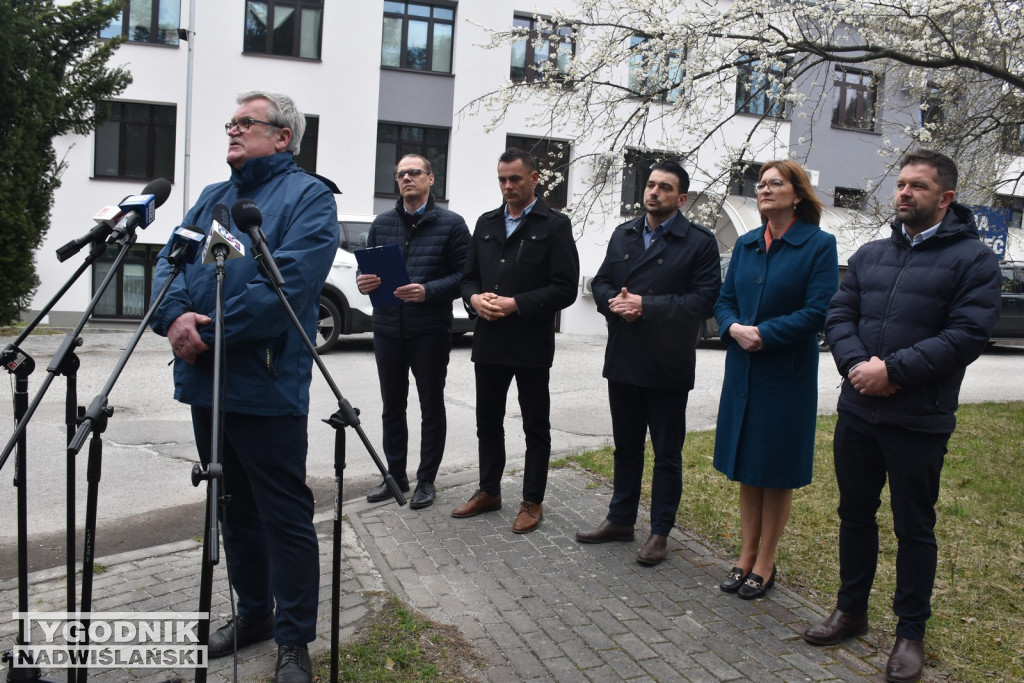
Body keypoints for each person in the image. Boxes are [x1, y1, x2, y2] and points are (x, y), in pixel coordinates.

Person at [150, 91, 338, 683]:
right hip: (206, 384)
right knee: (230, 509)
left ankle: (293, 641)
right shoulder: (212, 197)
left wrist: (215, 332)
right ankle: (253, 614)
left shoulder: (309, 198)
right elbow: (169, 263)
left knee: (282, 514)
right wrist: (175, 317)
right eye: (230, 122)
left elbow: (292, 285)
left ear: (283, 137)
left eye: (246, 123)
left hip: (266, 382)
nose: (232, 131)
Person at [803, 150, 1001, 683]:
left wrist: (891, 371)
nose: (904, 193)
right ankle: (850, 610)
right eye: (901, 184)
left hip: (919, 419)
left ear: (946, 197)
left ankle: (910, 633)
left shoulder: (974, 260)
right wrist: (855, 366)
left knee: (915, 529)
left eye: (917, 186)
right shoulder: (869, 254)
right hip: (859, 414)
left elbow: (967, 335)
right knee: (854, 516)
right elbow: (839, 314)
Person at [575, 160, 720, 565]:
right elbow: (601, 282)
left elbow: (705, 301)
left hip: (667, 363)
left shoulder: (699, 242)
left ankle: (659, 531)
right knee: (626, 447)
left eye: (665, 187)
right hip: (624, 356)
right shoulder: (624, 234)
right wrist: (614, 303)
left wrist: (647, 306)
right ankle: (620, 519)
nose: (654, 192)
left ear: (681, 198)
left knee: (666, 453)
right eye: (651, 185)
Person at [712, 161, 839, 598]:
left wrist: (763, 334)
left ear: (797, 194)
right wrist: (732, 327)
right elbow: (725, 300)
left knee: (776, 469)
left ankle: (766, 561)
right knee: (750, 466)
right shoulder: (747, 243)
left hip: (786, 374)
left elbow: (818, 311)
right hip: (743, 370)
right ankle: (745, 554)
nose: (764, 190)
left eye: (775, 183)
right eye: (761, 184)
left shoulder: (819, 245)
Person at [452, 148, 580, 533]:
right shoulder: (486, 222)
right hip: (489, 341)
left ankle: (532, 501)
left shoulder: (555, 225)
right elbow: (468, 278)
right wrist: (473, 299)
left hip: (530, 344)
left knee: (535, 426)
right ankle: (489, 491)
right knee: (487, 422)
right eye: (502, 180)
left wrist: (516, 304)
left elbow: (565, 289)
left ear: (534, 178)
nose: (508, 186)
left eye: (515, 179)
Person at [357, 154, 470, 510]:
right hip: (387, 327)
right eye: (401, 173)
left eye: (414, 173)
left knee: (430, 406)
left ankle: (426, 480)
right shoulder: (382, 222)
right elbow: (371, 272)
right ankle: (395, 476)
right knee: (392, 407)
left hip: (429, 330)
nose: (407, 178)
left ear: (430, 179)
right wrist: (364, 283)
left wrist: (428, 291)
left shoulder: (451, 224)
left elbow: (464, 276)